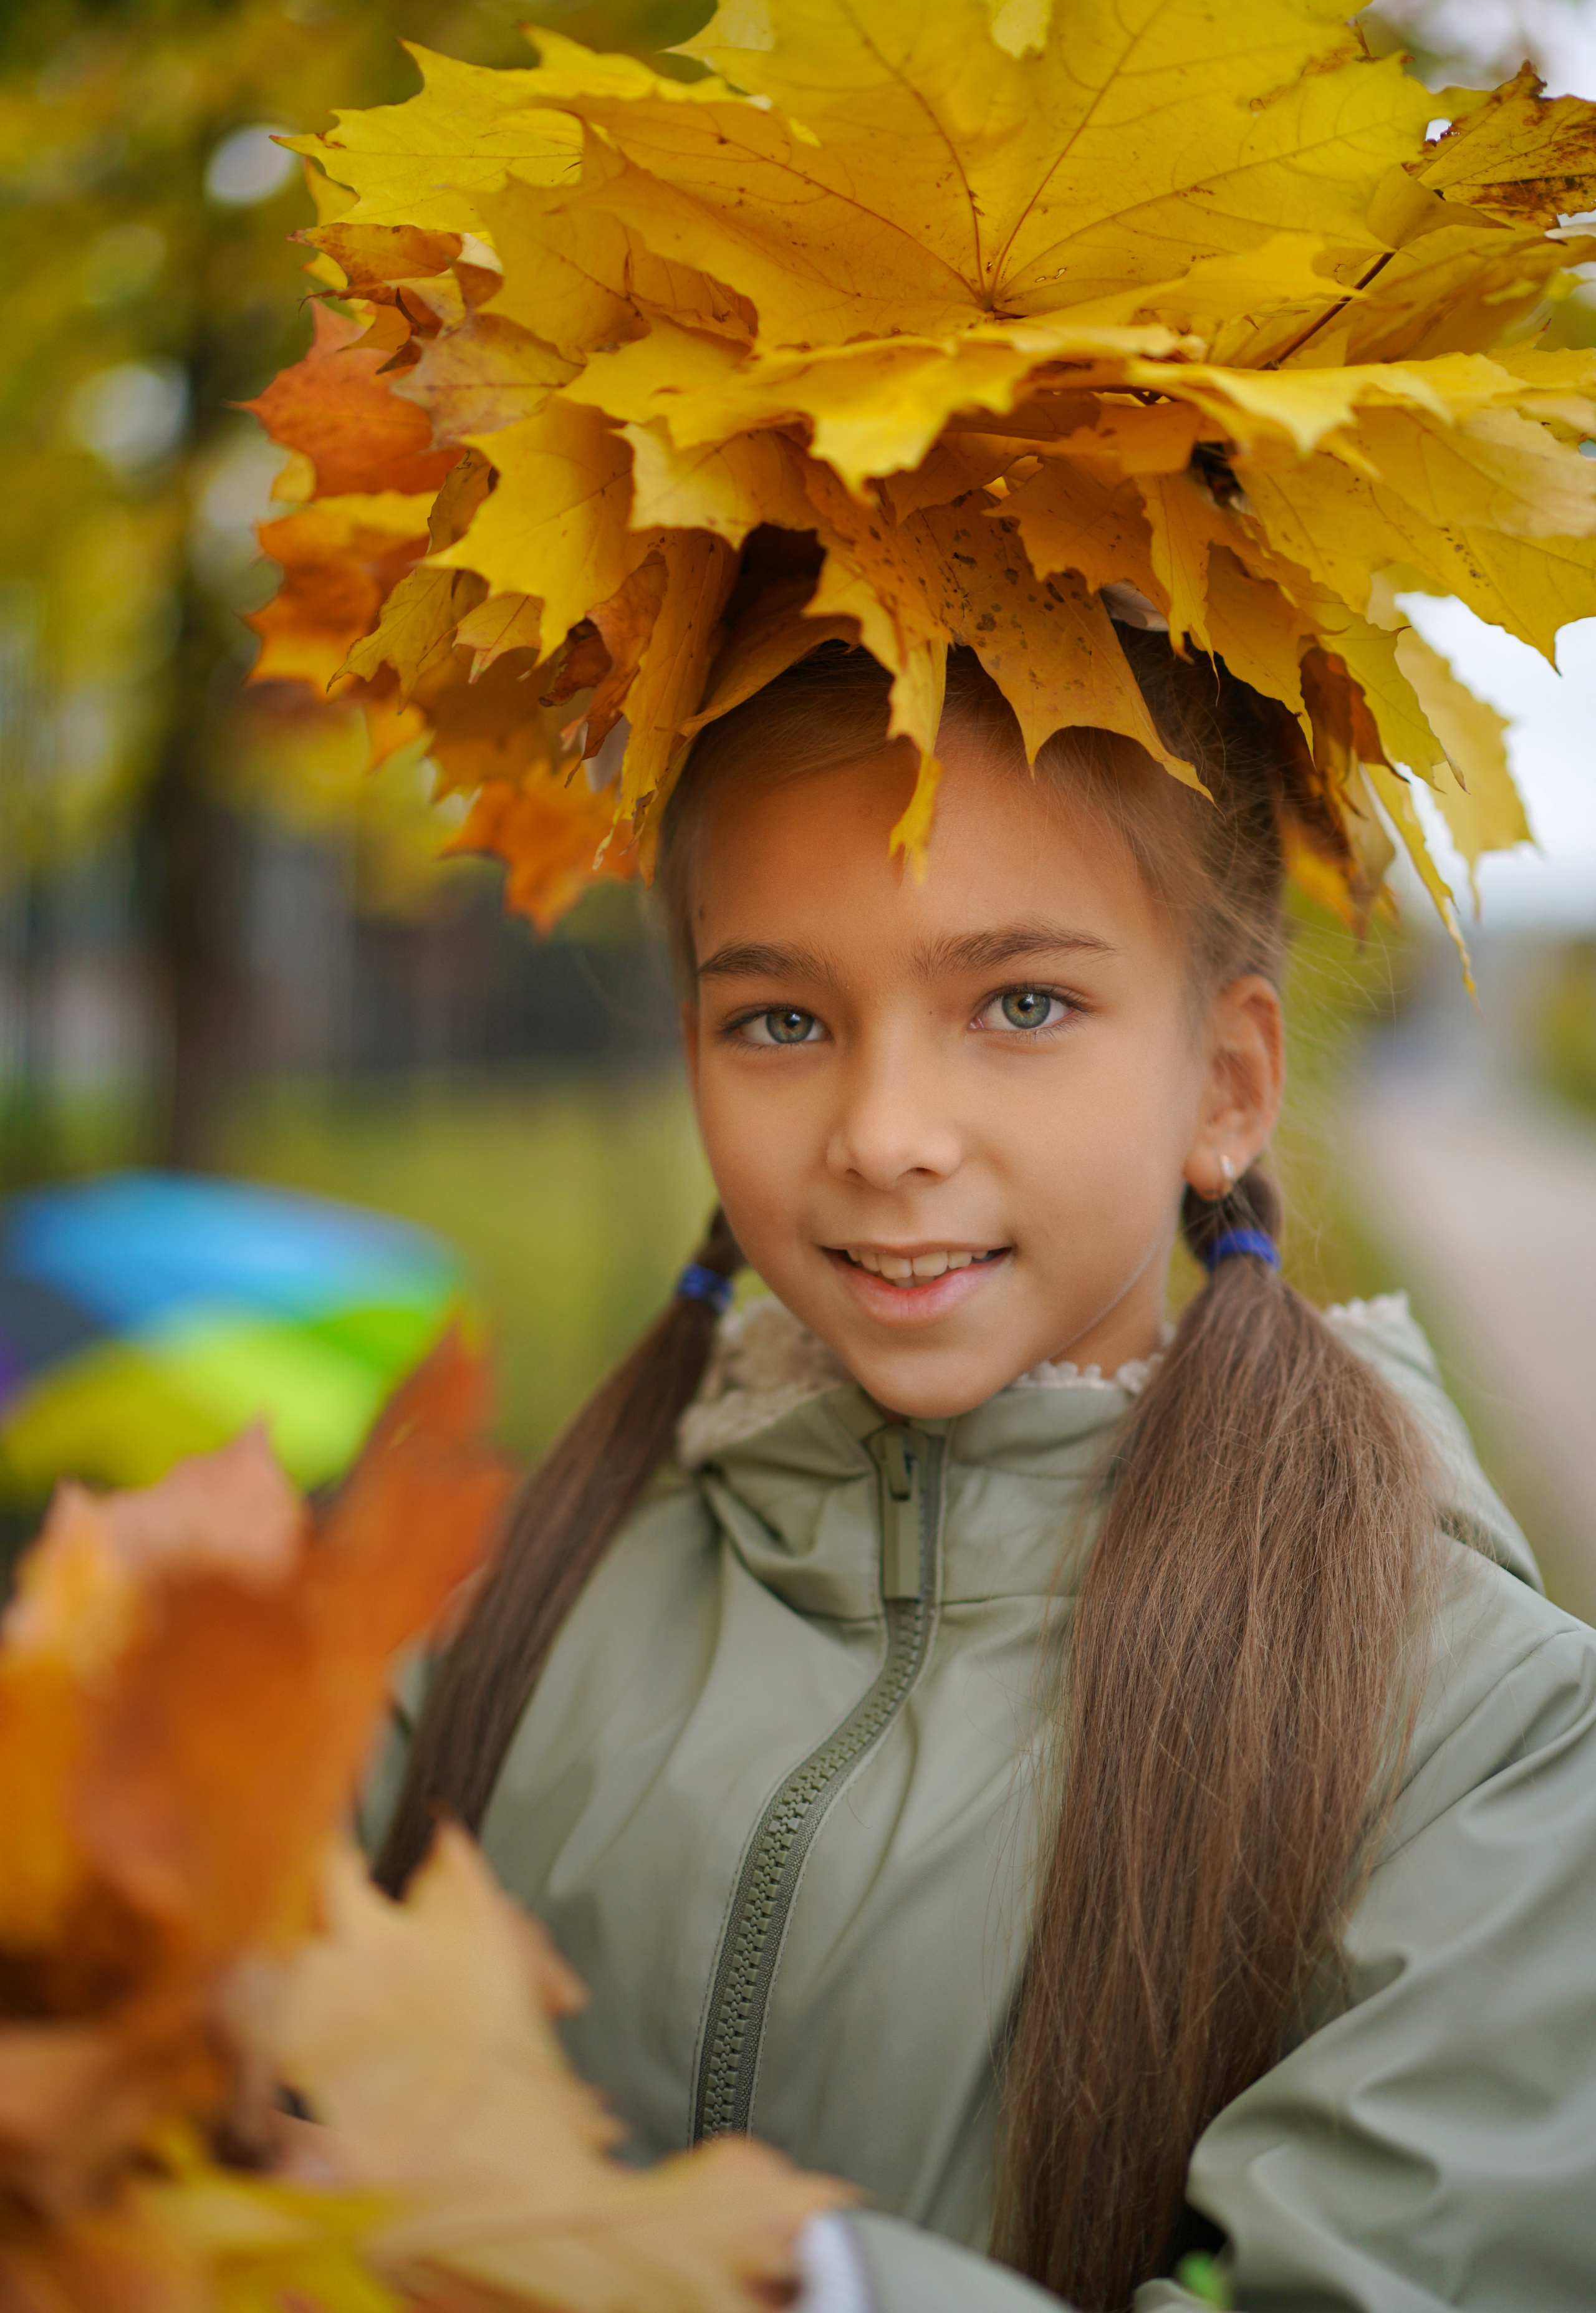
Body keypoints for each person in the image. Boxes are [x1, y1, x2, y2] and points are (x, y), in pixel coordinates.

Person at [362, 635, 1596, 2313]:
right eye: (782, 1018)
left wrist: (783, 2282)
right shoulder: (505, 1606)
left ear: (1226, 1084)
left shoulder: (1481, 1733)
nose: (883, 1132)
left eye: (1022, 1005)